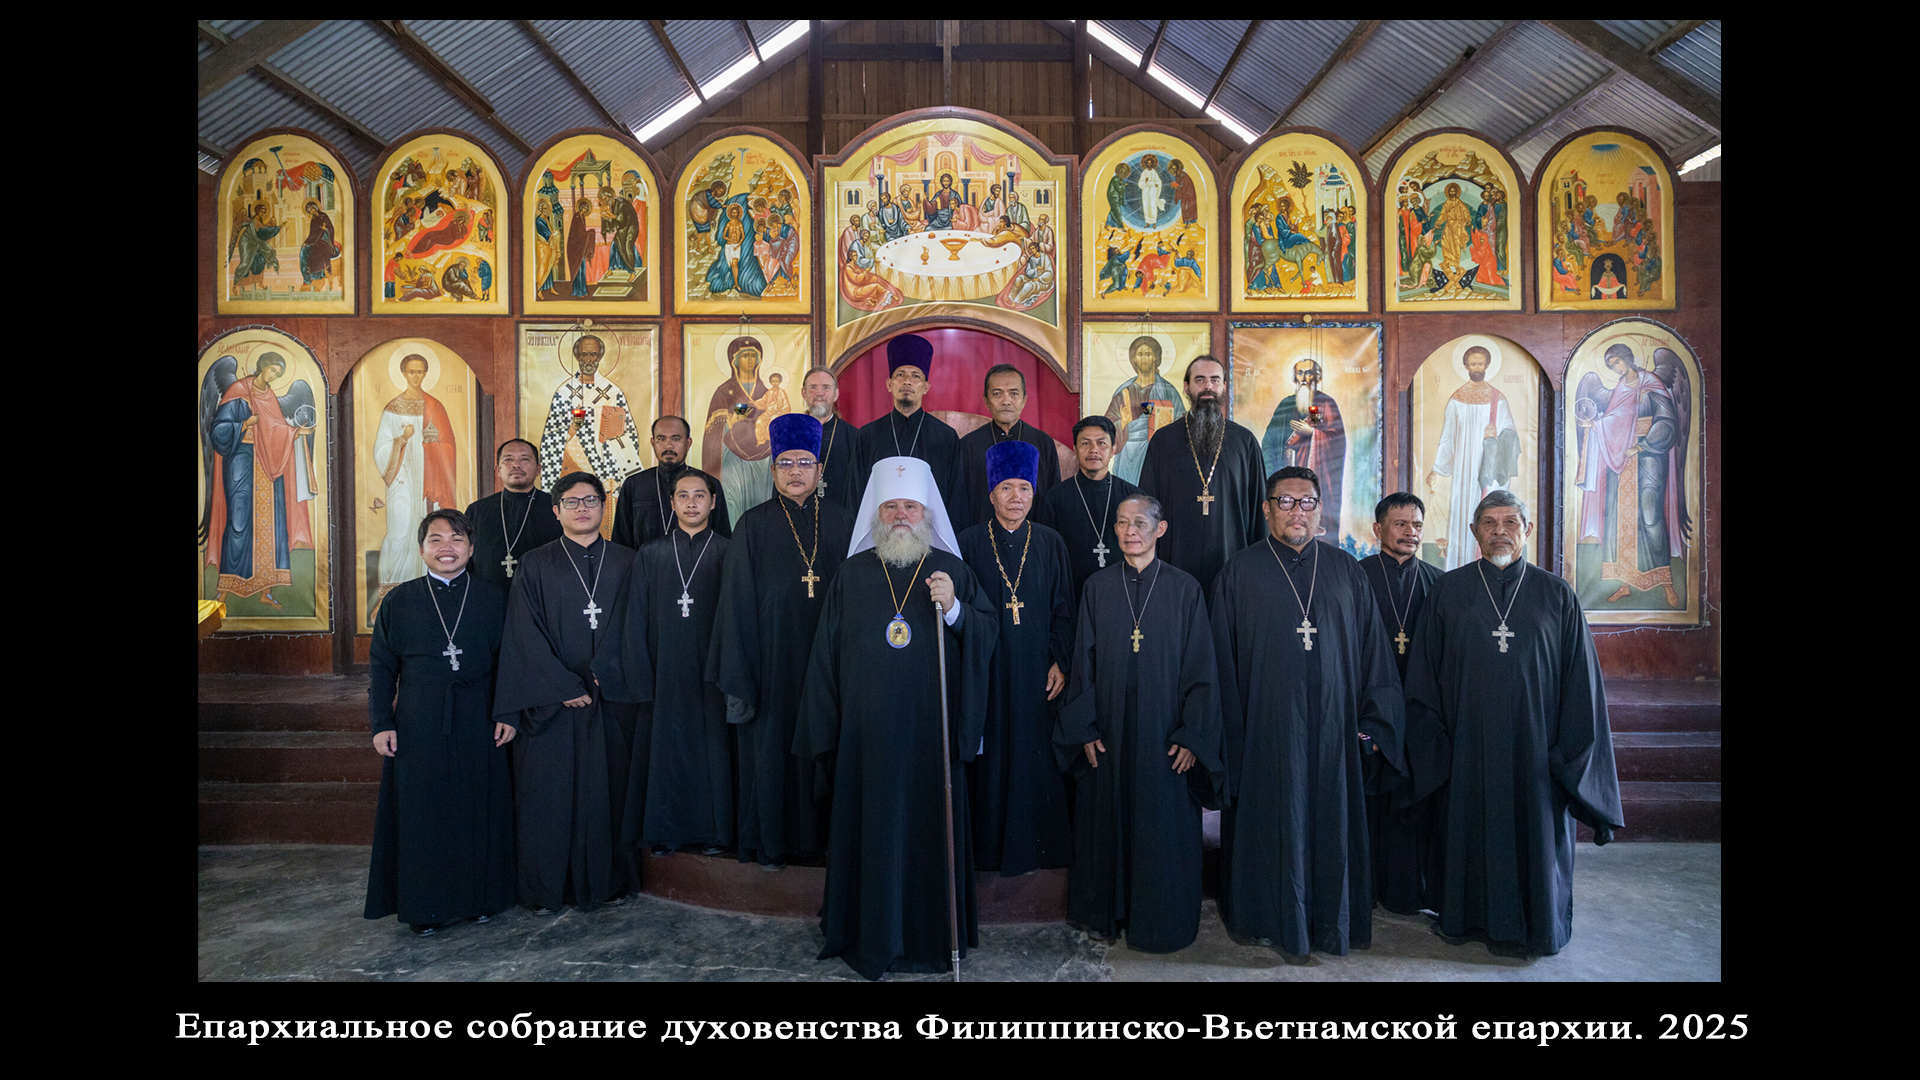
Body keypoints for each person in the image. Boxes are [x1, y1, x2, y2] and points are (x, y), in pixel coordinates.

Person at [796, 457, 998, 979]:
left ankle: (930, 939)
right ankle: (869, 934)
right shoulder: (852, 574)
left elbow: (986, 632)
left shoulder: (950, 570)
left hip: (931, 736)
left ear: (926, 514)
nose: (902, 515)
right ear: (877, 513)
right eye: (891, 507)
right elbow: (825, 656)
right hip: (866, 740)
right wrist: (826, 728)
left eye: (911, 506)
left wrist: (955, 609)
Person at [1403, 490, 1623, 956]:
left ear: (1527, 530)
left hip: (1536, 755)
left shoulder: (1556, 595)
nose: (1499, 531)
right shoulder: (1448, 592)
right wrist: (1438, 750)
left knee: (1535, 841)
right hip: (1467, 752)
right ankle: (1463, 920)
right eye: (1489, 522)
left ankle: (1539, 926)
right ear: (1474, 531)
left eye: (1510, 522)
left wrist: (1566, 757)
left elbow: (1581, 686)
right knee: (1466, 834)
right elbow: (1423, 678)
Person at [1211, 467, 1404, 956]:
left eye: (1307, 502)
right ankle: (1265, 920)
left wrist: (1371, 726)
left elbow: (1374, 655)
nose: (1297, 511)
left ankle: (1330, 924)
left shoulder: (1346, 571)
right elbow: (1220, 663)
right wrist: (1230, 737)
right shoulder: (1239, 572)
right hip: (1264, 734)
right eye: (1285, 501)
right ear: (1267, 509)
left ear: (1320, 509)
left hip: (1334, 736)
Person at [1054, 494, 1224, 951]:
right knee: (1106, 820)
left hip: (1164, 735)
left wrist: (1193, 735)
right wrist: (1084, 728)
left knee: (1160, 825)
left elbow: (1201, 667)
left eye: (1141, 523)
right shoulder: (1097, 586)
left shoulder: (1185, 588)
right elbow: (1082, 662)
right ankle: (1105, 914)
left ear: (1160, 529)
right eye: (1122, 523)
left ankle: (1160, 922)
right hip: (1108, 732)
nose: (1131, 531)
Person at [492, 472, 640, 914]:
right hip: (552, 704)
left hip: (611, 700)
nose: (582, 509)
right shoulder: (535, 563)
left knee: (608, 794)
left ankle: (607, 882)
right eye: (572, 502)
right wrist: (563, 685)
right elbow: (523, 632)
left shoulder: (629, 561)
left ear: (604, 507)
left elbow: (637, 625)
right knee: (547, 798)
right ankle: (545, 890)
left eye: (590, 500)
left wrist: (606, 672)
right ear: (555, 511)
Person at [711, 414, 855, 869]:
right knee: (771, 750)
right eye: (786, 463)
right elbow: (735, 601)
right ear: (772, 470)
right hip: (771, 662)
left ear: (819, 469)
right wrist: (742, 671)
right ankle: (772, 843)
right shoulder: (752, 525)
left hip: (830, 663)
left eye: (804, 463)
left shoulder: (844, 522)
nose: (795, 471)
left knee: (828, 745)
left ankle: (826, 842)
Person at [364, 509, 515, 937]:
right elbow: (381, 668)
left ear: (471, 548)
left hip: (480, 715)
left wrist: (508, 712)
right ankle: (425, 907)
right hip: (419, 719)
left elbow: (511, 662)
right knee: (423, 813)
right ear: (421, 549)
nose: (447, 548)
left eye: (456, 539)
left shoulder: (493, 598)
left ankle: (481, 899)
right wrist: (381, 722)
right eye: (436, 540)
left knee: (477, 807)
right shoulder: (399, 601)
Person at [596, 471, 733, 860]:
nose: (691, 503)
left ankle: (716, 831)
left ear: (713, 502)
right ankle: (665, 831)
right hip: (664, 669)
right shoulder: (650, 553)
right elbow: (634, 615)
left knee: (713, 749)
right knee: (664, 750)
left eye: (699, 495)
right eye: (683, 496)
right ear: (672, 503)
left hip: (713, 669)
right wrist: (639, 671)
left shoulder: (729, 551)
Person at [958, 441, 1074, 876]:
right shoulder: (969, 542)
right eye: (1006, 488)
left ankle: (1039, 847)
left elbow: (1065, 609)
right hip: (986, 669)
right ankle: (988, 849)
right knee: (990, 758)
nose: (1016, 498)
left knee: (1034, 753)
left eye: (1024, 488)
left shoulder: (1050, 543)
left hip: (1037, 672)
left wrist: (1060, 660)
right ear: (991, 494)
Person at [1359, 492, 1444, 916]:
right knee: (1371, 798)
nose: (1411, 532)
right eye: (1401, 524)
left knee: (1417, 797)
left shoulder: (1440, 584)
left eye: (1417, 525)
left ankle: (1411, 891)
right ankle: (1366, 886)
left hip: (1421, 710)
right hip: (1370, 710)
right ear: (1378, 529)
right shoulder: (1355, 577)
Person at [1136, 356, 1266, 595]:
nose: (1208, 386)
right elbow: (1147, 505)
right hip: (1174, 561)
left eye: (1215, 380)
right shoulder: (1164, 441)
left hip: (1232, 560)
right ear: (1186, 387)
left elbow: (1259, 509)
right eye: (1200, 380)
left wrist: (1259, 567)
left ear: (1224, 387)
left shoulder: (1244, 442)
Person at [201, 351, 318, 607]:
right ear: (262, 366)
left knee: (270, 525)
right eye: (272, 370)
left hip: (268, 467)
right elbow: (217, 431)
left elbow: (276, 429)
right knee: (239, 521)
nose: (274, 376)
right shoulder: (238, 391)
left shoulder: (270, 396)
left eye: (278, 373)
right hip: (240, 462)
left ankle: (266, 591)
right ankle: (225, 590)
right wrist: (244, 424)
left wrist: (297, 432)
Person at [1577, 343, 1684, 607]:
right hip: (1621, 458)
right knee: (1618, 518)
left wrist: (1643, 445)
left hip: (1649, 456)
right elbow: (1614, 419)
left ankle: (1666, 583)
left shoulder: (1652, 382)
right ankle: (1624, 584)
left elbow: (1667, 420)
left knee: (1650, 515)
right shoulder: (1619, 389)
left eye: (1618, 362)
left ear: (1628, 358)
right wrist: (1594, 425)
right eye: (1611, 365)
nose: (1616, 368)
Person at [372, 353, 459, 616]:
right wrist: (402, 439)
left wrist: (435, 445)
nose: (416, 376)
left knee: (426, 532)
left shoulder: (435, 406)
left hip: (428, 482)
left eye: (420, 371)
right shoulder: (393, 407)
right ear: (403, 373)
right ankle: (387, 598)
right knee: (399, 533)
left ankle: (427, 596)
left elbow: (449, 444)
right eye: (412, 371)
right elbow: (380, 448)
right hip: (401, 479)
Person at [853, 334, 963, 525]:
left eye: (915, 376)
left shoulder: (946, 437)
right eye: (900, 374)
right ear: (889, 384)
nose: (907, 381)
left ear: (926, 387)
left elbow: (956, 498)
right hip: (881, 535)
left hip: (930, 534)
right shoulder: (868, 436)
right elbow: (856, 495)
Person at [1034, 416, 1140, 612]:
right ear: (1075, 448)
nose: (1093, 450)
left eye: (1101, 443)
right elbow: (1046, 559)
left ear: (1113, 448)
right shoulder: (1053, 500)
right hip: (1071, 600)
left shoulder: (1134, 498)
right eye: (1085, 443)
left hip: (1124, 599)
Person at [1426, 345, 1519, 570]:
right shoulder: (1456, 399)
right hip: (1463, 469)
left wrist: (1496, 436)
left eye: (1481, 363)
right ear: (1466, 366)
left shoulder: (1498, 399)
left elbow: (1511, 433)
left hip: (1490, 467)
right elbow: (1447, 437)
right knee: (1462, 514)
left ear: (1487, 366)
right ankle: (1460, 568)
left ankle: (1492, 567)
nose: (1477, 368)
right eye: (1473, 364)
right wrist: (1437, 468)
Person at [537, 333, 646, 494]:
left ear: (600, 357)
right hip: (573, 468)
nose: (588, 360)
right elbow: (550, 440)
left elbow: (629, 435)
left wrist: (613, 463)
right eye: (584, 354)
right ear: (577, 356)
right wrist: (573, 428)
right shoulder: (564, 393)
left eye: (593, 354)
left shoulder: (613, 393)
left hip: (608, 470)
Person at [956, 364, 1060, 531]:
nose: (1006, 401)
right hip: (981, 538)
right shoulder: (968, 445)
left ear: (1024, 399)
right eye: (997, 394)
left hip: (1032, 538)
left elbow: (1052, 500)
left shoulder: (1043, 443)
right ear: (986, 400)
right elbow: (960, 503)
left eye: (1014, 393)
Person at [611, 416, 732, 550]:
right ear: (653, 443)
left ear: (688, 443)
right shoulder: (634, 485)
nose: (668, 446)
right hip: (644, 562)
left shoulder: (708, 484)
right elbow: (621, 542)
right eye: (661, 439)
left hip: (698, 562)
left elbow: (722, 539)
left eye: (676, 439)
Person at [1261, 358, 1347, 539]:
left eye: (1309, 373)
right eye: (1300, 373)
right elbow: (1269, 441)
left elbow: (1337, 441)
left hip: (1318, 475)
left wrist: (1312, 433)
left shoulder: (1326, 403)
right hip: (1285, 476)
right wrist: (1270, 473)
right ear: (1294, 377)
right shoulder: (1286, 404)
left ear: (1317, 376)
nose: (1304, 377)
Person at [464, 439, 562, 594]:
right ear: (498, 469)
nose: (516, 465)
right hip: (488, 599)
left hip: (544, 598)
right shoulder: (477, 511)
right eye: (508, 459)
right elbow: (465, 561)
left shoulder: (557, 508)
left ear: (538, 469)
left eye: (525, 459)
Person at [701, 337, 781, 518]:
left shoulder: (767, 393)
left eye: (753, 356)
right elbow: (712, 434)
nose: (750, 360)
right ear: (734, 361)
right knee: (732, 505)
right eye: (745, 356)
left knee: (761, 506)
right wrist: (732, 421)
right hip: (732, 460)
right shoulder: (723, 392)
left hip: (762, 461)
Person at [1103, 336, 1184, 485]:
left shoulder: (1168, 391)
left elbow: (1182, 424)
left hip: (1158, 454)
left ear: (1156, 358)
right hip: (1128, 455)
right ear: (1133, 359)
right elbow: (1106, 430)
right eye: (1140, 354)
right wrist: (1123, 422)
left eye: (1148, 354)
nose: (1144, 358)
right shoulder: (1123, 392)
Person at [800, 367, 859, 514]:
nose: (819, 393)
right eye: (813, 387)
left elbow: (858, 487)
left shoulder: (853, 436)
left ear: (835, 394)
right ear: (803, 393)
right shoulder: (792, 434)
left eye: (826, 387)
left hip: (841, 517)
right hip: (799, 516)